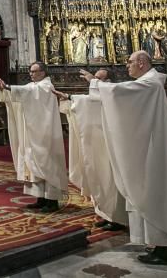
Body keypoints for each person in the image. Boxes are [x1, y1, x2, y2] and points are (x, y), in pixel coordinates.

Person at [81, 51, 167, 266]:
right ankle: (160, 246)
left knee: (154, 194)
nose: (127, 66)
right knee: (148, 193)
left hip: (153, 151)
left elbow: (118, 92)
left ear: (142, 63)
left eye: (130, 62)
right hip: (147, 147)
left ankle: (166, 249)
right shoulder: (148, 82)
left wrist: (95, 82)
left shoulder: (149, 83)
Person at [56, 70, 128, 230]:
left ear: (108, 81)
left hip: (111, 146)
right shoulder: (99, 96)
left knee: (111, 182)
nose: (94, 82)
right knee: (99, 178)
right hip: (96, 144)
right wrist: (68, 97)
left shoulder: (115, 95)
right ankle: (106, 214)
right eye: (94, 78)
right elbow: (86, 101)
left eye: (98, 79)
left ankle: (118, 218)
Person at [0, 62, 67, 213]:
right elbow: (25, 93)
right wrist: (5, 90)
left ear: (43, 72)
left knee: (47, 163)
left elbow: (28, 92)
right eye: (30, 71)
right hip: (33, 133)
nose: (31, 74)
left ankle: (52, 201)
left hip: (45, 135)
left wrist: (7, 87)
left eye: (34, 71)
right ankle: (40, 198)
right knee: (32, 163)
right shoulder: (34, 87)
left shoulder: (46, 87)